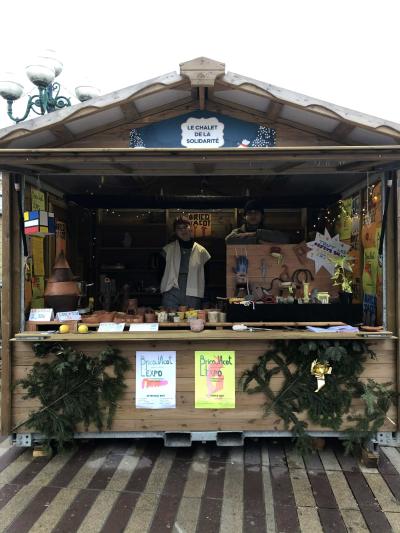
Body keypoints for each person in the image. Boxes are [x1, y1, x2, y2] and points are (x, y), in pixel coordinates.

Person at [160, 216, 211, 309]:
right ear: (175, 231)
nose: (182, 230)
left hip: (194, 291)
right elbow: (160, 272)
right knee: (170, 316)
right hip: (172, 291)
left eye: (185, 227)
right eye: (179, 228)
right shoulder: (167, 250)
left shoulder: (202, 251)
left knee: (192, 316)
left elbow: (207, 276)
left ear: (190, 228)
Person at [225, 199, 292, 244]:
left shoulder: (268, 230)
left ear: (262, 216)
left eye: (256, 213)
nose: (253, 215)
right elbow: (228, 240)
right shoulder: (238, 231)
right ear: (244, 216)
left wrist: (254, 234)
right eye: (250, 213)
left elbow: (285, 239)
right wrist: (257, 241)